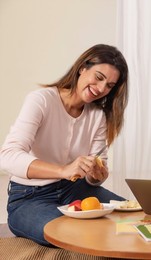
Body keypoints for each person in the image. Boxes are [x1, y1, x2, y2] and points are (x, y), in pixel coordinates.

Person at [0, 44, 128, 246]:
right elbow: (7, 156)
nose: (102, 89)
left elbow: (95, 171)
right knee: (74, 234)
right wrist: (63, 170)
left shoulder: (98, 116)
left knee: (132, 218)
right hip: (29, 197)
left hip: (77, 191)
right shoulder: (41, 100)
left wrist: (96, 176)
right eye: (99, 77)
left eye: (110, 86)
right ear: (82, 68)